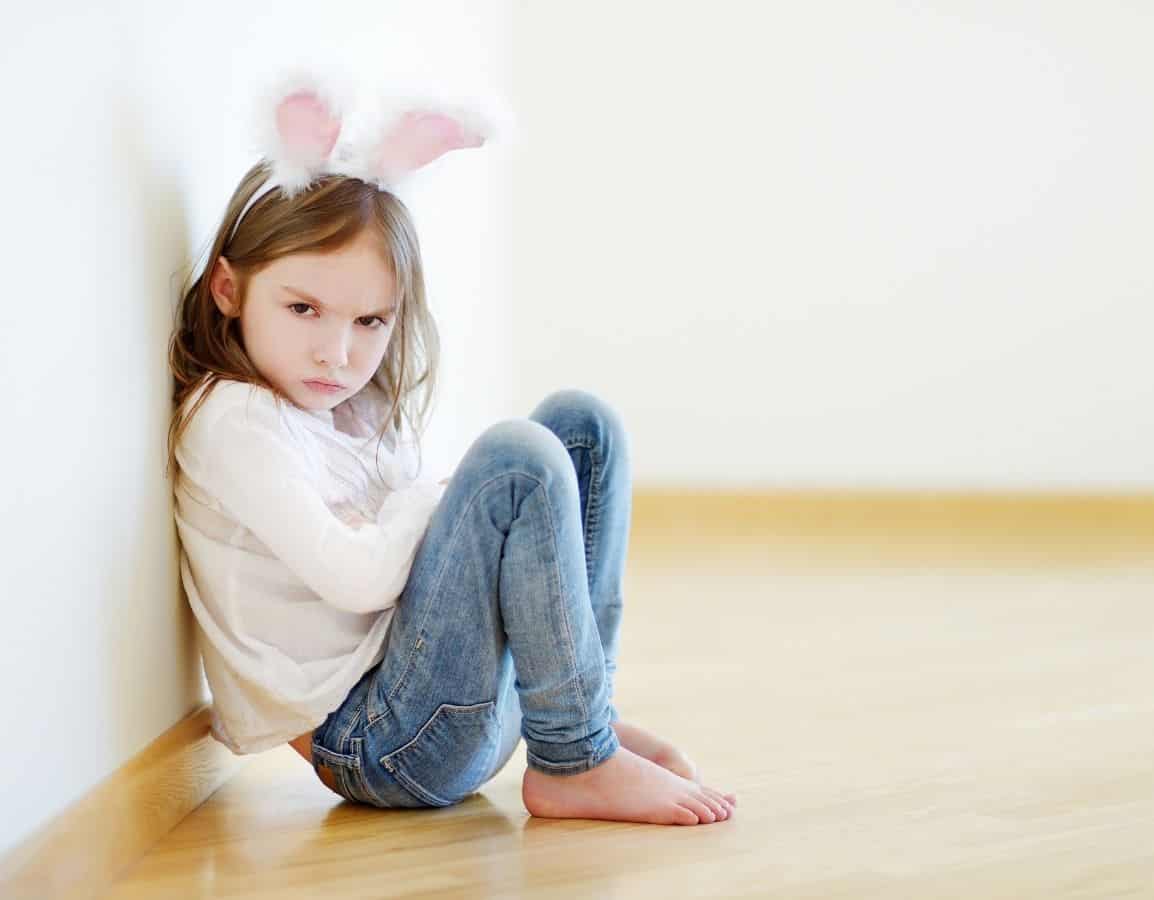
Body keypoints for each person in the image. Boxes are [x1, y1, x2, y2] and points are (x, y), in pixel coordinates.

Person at [165, 72, 736, 826]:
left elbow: (418, 542)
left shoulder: (353, 409)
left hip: (445, 703)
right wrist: (425, 497)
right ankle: (576, 760)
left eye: (370, 322)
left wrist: (427, 500)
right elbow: (362, 578)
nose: (337, 353)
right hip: (384, 743)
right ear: (228, 290)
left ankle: (578, 721)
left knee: (582, 426)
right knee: (514, 460)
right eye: (303, 309)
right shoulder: (234, 421)